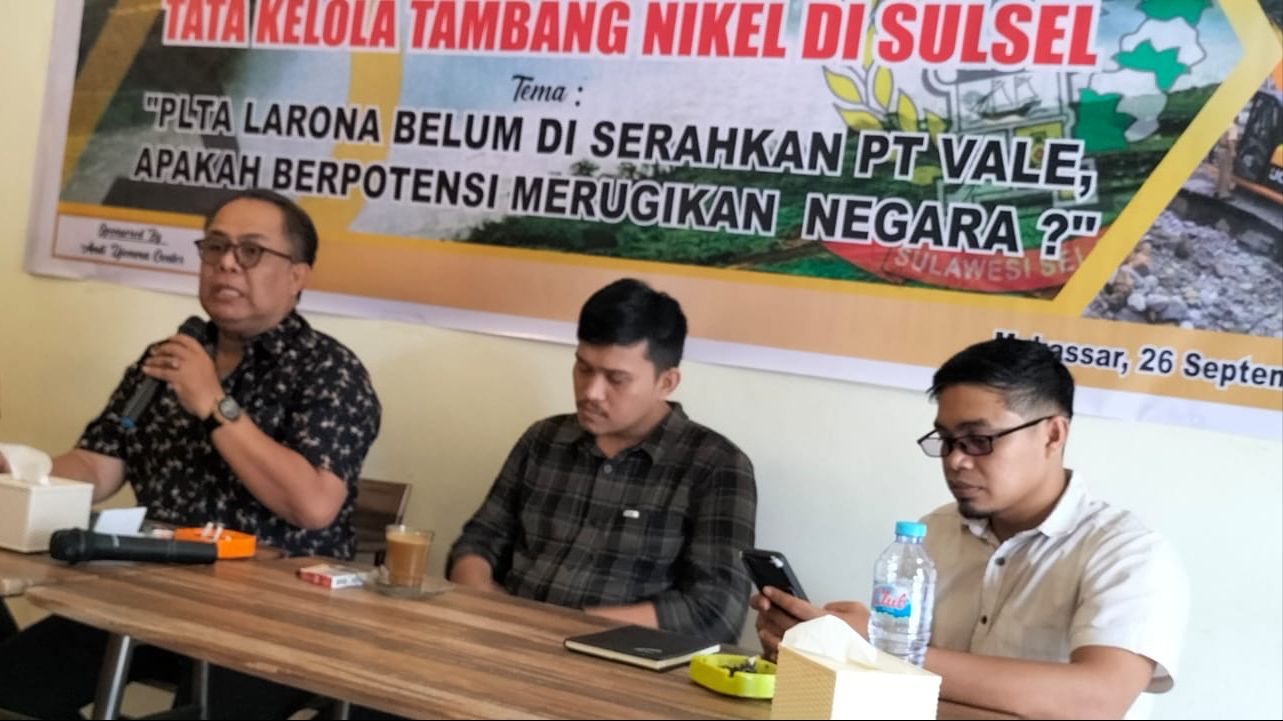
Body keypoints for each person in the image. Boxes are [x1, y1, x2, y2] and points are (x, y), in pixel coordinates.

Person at [0, 188, 382, 718]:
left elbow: (313, 505)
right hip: (148, 590)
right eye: (215, 247)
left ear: (297, 275)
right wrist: (27, 470)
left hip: (275, 613)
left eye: (251, 251)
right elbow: (98, 462)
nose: (226, 263)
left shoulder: (329, 372)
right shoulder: (171, 357)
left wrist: (213, 404)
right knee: (12, 692)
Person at [753, 338, 1188, 719]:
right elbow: (893, 686)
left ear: (1053, 435)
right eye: (946, 441)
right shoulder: (932, 535)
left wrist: (880, 646)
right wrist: (827, 647)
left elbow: (1097, 701)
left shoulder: (1127, 554)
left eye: (979, 440)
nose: (956, 460)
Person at [447, 278, 757, 644]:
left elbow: (716, 612)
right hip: (506, 641)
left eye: (616, 379)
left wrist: (559, 628)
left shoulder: (715, 465)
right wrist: (488, 604)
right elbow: (477, 542)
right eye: (583, 368)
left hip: (621, 661)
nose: (591, 392)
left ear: (667, 382)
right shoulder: (544, 439)